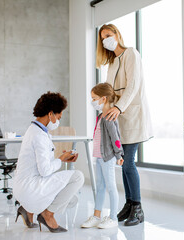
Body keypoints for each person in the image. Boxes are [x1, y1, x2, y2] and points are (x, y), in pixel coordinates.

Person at [96, 24, 153, 226]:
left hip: (134, 116)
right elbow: (109, 92)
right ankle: (129, 205)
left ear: (117, 35)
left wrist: (119, 108)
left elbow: (133, 84)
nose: (106, 41)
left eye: (109, 35)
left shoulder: (131, 54)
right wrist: (103, 109)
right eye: (103, 39)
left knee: (128, 163)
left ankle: (138, 209)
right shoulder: (111, 64)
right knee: (125, 165)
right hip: (119, 120)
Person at [13, 91, 84, 233]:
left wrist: (61, 158)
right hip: (30, 188)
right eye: (59, 116)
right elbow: (45, 171)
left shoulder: (35, 130)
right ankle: (47, 215)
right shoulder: (39, 135)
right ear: (50, 114)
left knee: (72, 199)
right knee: (78, 177)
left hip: (22, 188)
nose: (58, 121)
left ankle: (28, 210)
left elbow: (41, 161)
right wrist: (61, 159)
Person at [81, 83, 124, 229]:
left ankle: (113, 218)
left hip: (108, 158)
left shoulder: (109, 117)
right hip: (99, 157)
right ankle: (96, 216)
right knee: (100, 186)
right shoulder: (100, 116)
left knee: (111, 187)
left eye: (94, 98)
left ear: (103, 99)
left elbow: (116, 138)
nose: (92, 101)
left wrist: (119, 155)